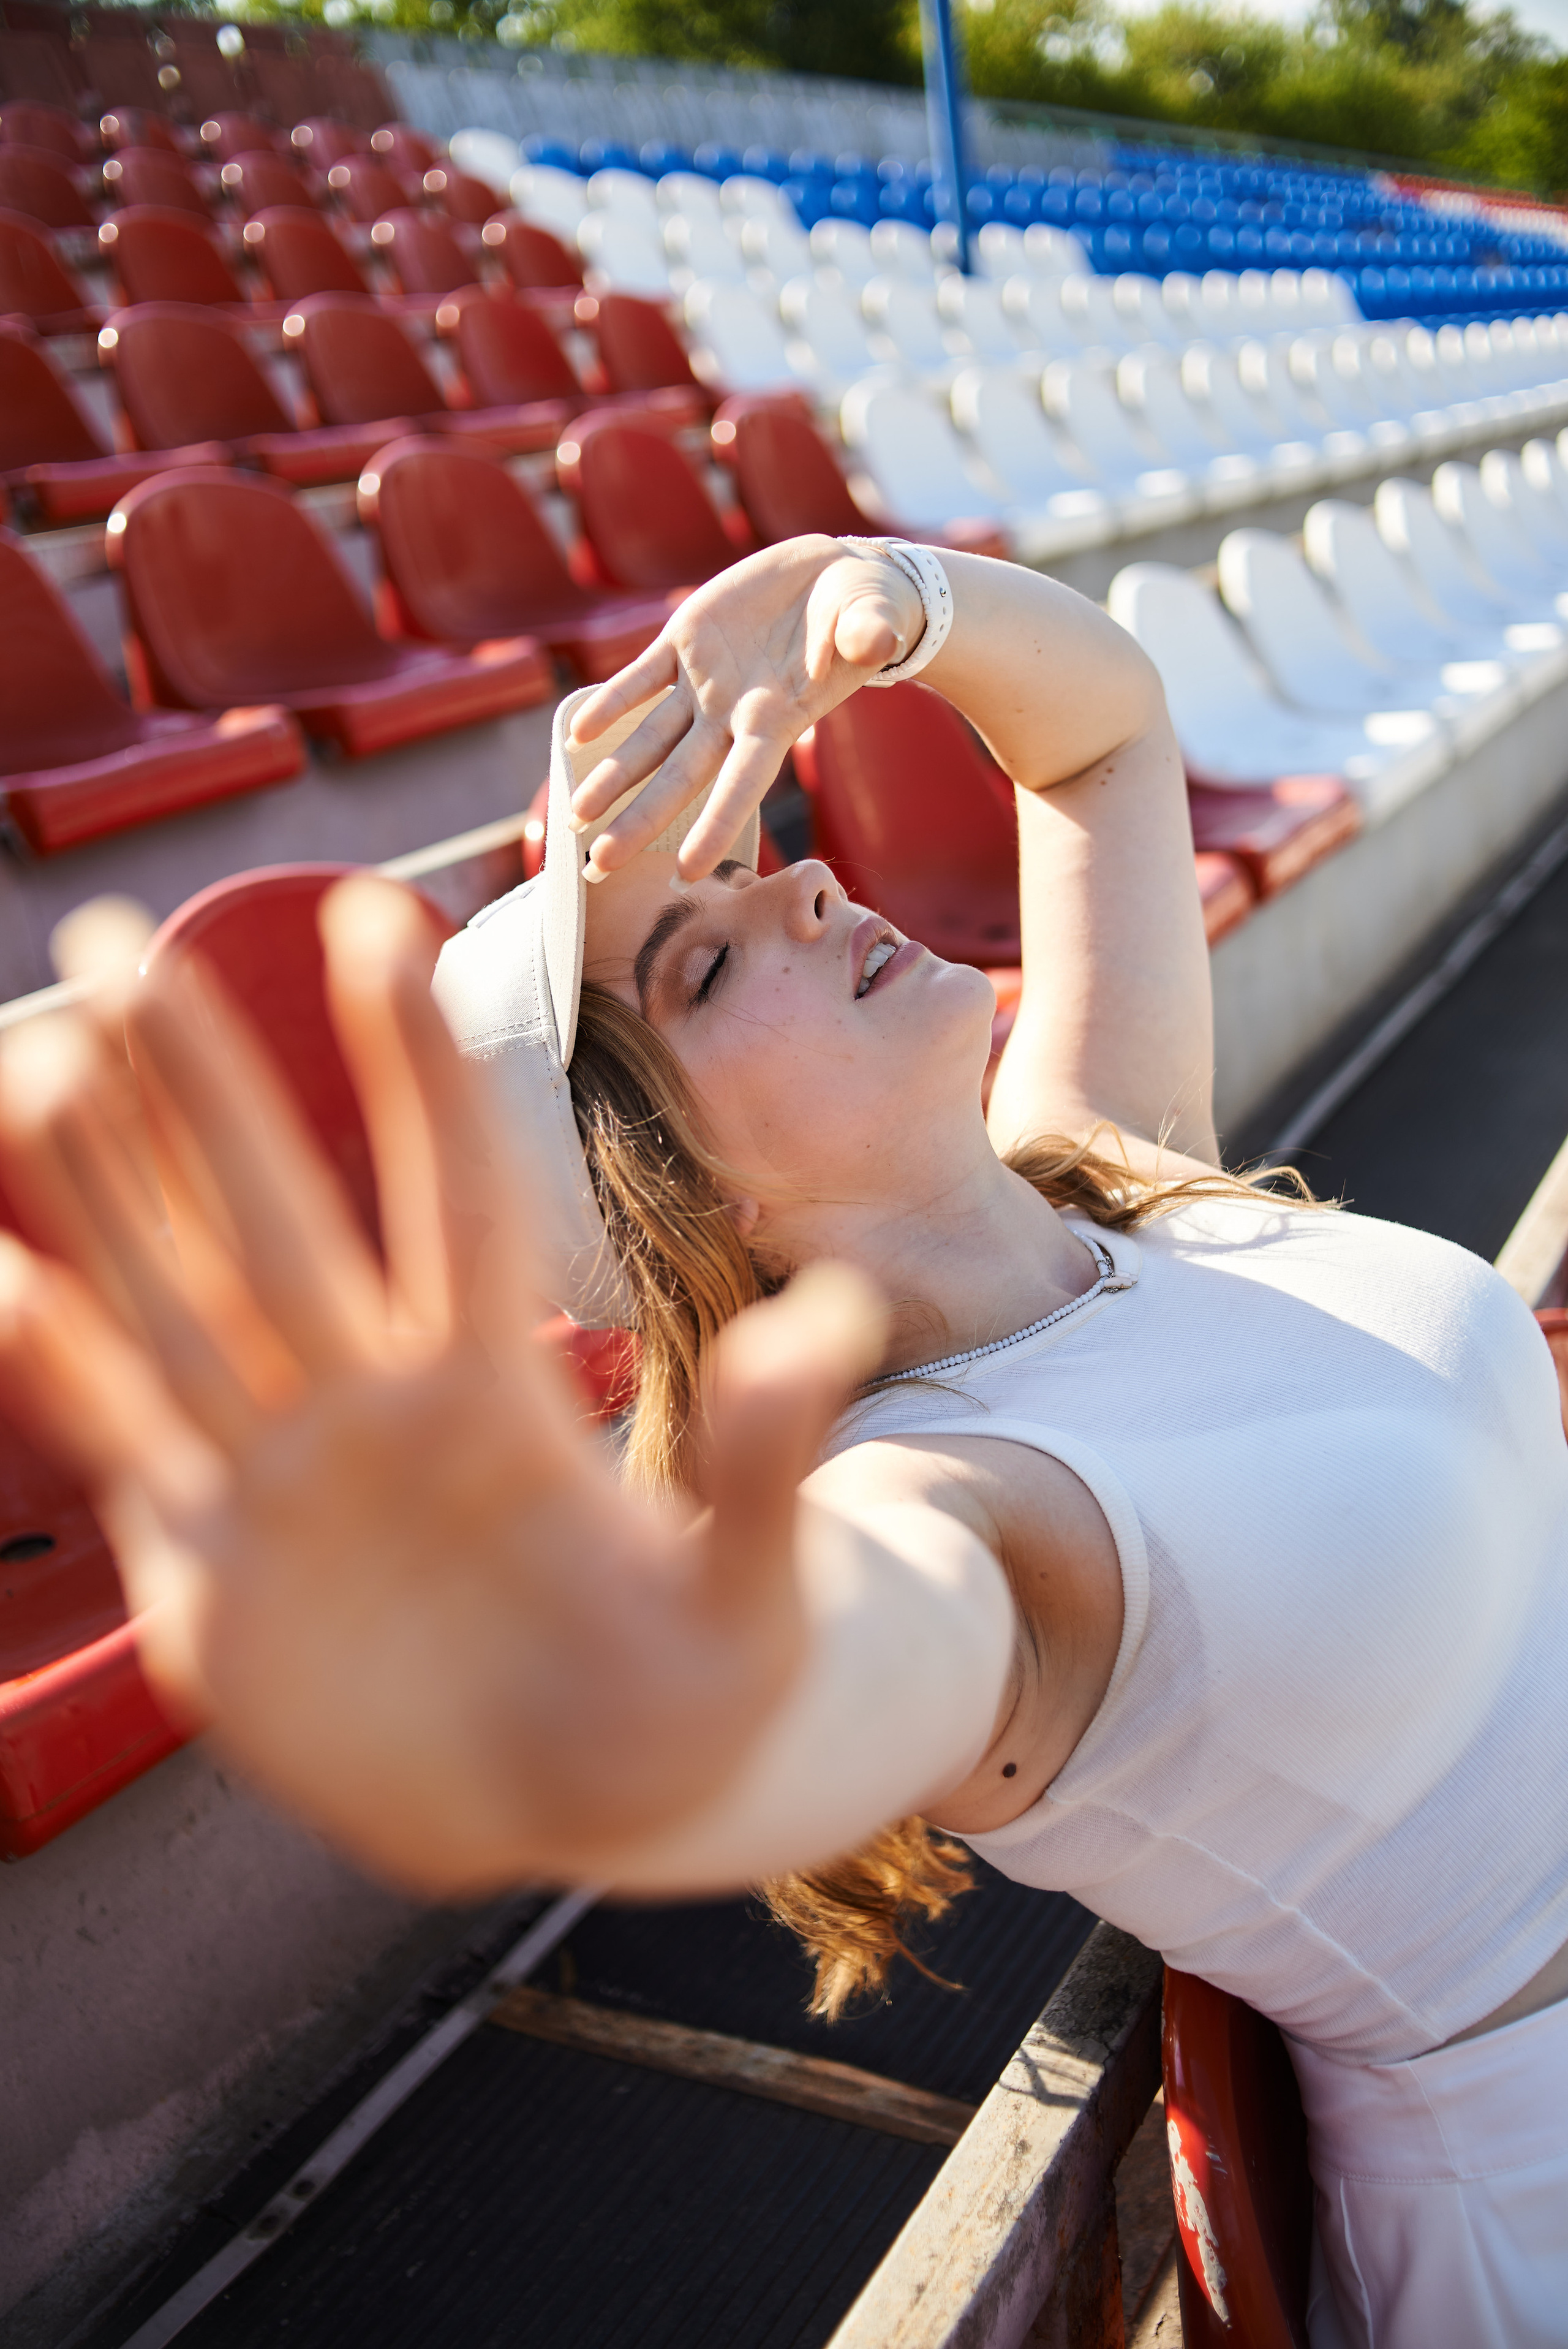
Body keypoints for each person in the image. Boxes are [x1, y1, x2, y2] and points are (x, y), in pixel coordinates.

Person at [1, 539, 1565, 2349]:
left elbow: (1105, 741)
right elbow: (806, 1682)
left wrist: (863, 593)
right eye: (704, 958)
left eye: (763, 862)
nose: (812, 883)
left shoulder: (1117, 1162)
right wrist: (569, 1734)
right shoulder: (946, 1495)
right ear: (695, 1189)